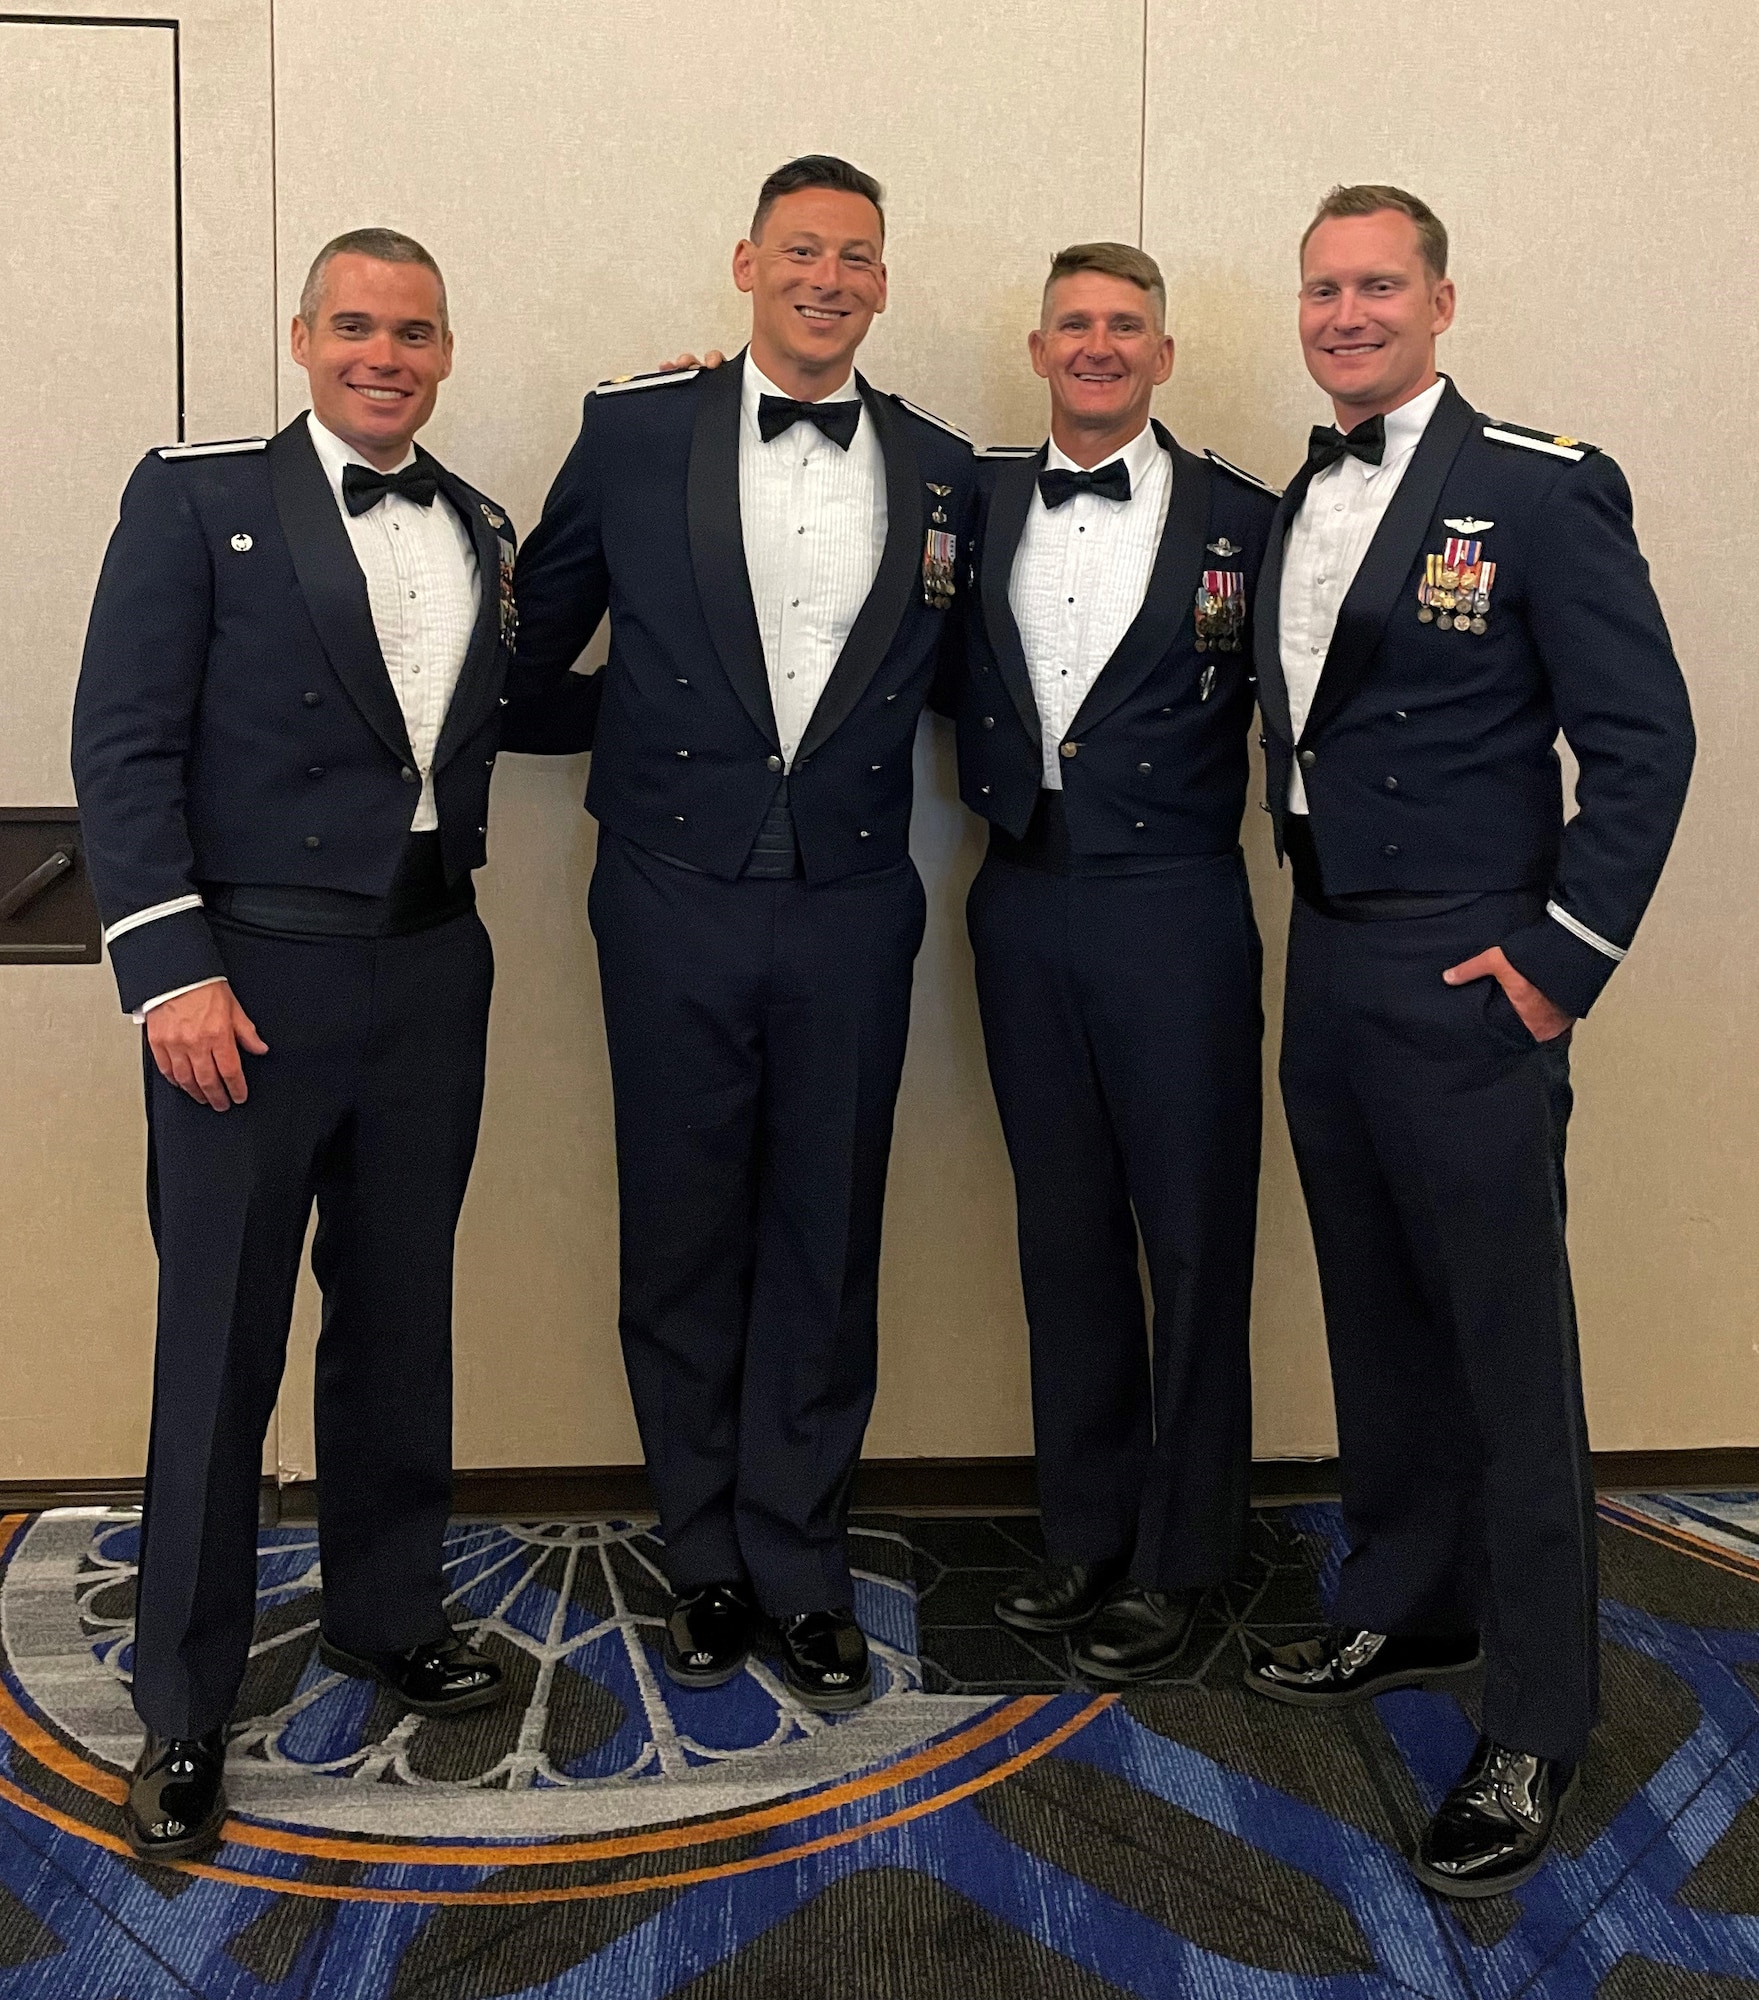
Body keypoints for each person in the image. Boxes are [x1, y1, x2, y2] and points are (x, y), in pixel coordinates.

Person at [1241, 185, 1694, 1898]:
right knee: (1377, 1311)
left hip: (1469, 973)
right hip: (1334, 961)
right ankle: (1407, 1598)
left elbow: (1645, 741)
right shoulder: (1302, 491)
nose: (1345, 313)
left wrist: (1560, 962)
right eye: (1322, 289)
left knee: (1509, 1355)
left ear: (1442, 299)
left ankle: (1538, 1716)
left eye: (1377, 286)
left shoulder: (1537, 485)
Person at [71, 228, 527, 1861]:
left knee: (400, 1317)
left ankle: (386, 1612)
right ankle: (184, 1708)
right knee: (220, 1346)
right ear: (303, 334)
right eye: (354, 325)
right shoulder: (197, 499)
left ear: (446, 346)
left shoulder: (483, 522)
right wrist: (167, 972)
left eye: (413, 329)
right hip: (243, 988)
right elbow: (121, 743)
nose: (383, 354)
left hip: (429, 971)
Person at [510, 156, 975, 1710]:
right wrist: (640, 735)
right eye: (799, 251)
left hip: (852, 906)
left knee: (826, 1240)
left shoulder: (944, 467)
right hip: (667, 898)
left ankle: (802, 1558)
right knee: (684, 1233)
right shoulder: (632, 431)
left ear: (883, 281)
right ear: (745, 262)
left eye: (855, 255)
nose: (825, 277)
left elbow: (979, 681)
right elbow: (526, 658)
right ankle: (701, 1556)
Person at [945, 244, 1276, 1680]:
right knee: (1062, 1230)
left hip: (1179, 905)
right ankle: (1084, 1528)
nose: (1097, 345)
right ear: (1037, 347)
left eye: (1123, 326)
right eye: (1073, 323)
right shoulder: (971, 500)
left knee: (1196, 1239)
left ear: (1164, 352)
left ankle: (1185, 1550)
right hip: (1021, 900)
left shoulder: (1252, 520)